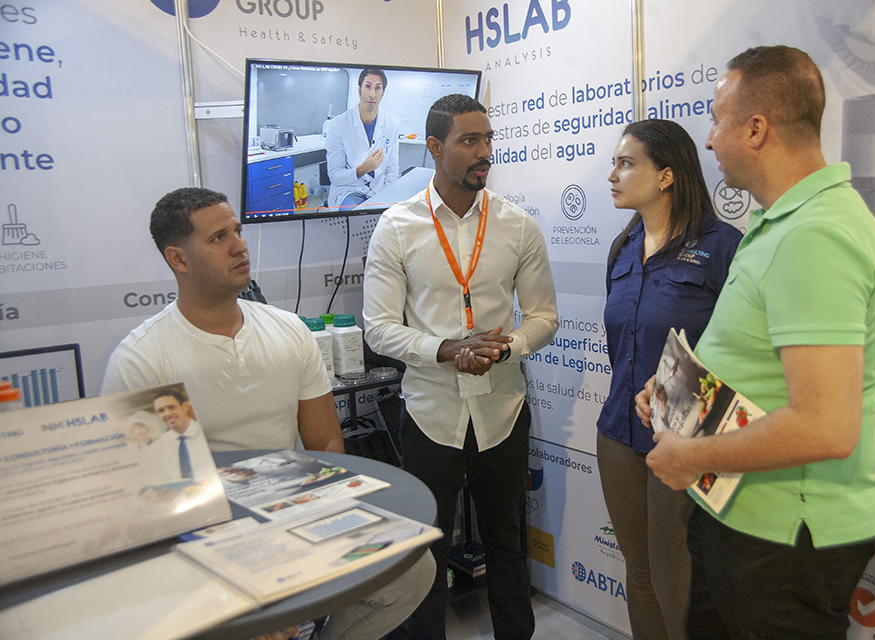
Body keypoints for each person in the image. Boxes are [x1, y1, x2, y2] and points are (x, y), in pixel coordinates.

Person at [637, 45, 875, 639]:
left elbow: (825, 427)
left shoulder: (814, 235)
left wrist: (690, 457)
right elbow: (760, 366)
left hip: (782, 541)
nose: (708, 141)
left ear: (756, 129)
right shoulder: (780, 224)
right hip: (742, 518)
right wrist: (676, 394)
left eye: (716, 121)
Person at [102, 187, 434, 640]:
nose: (239, 246)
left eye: (237, 231)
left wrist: (328, 520)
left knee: (412, 570)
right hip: (208, 540)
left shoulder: (288, 332)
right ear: (178, 259)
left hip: (291, 516)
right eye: (218, 238)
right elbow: (152, 497)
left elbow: (325, 444)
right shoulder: (142, 359)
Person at [363, 93, 559, 640]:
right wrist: (448, 349)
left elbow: (544, 317)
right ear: (434, 147)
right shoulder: (397, 226)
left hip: (502, 408)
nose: (484, 152)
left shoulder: (517, 225)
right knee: (426, 550)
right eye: (469, 141)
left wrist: (504, 347)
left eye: (488, 139)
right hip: (431, 411)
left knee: (507, 543)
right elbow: (378, 327)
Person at [597, 120, 742, 640]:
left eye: (626, 163)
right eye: (614, 163)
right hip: (618, 433)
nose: (612, 175)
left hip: (688, 437)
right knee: (639, 574)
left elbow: (743, 354)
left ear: (666, 175)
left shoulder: (723, 246)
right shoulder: (622, 247)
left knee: (676, 580)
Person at [326, 68, 400, 209]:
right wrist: (363, 169)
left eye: (377, 88)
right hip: (348, 190)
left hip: (379, 189)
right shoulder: (338, 124)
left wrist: (387, 197)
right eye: (368, 86)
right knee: (356, 216)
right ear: (359, 90)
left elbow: (392, 169)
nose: (372, 94)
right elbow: (335, 175)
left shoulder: (392, 124)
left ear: (383, 92)